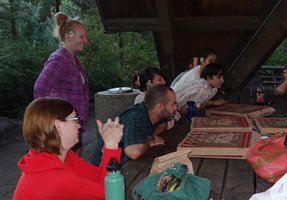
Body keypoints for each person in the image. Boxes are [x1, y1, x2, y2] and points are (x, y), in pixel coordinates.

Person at [13, 97, 124, 199]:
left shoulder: (60, 156)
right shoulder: (54, 177)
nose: (79, 125)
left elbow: (98, 178)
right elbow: (109, 193)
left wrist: (109, 146)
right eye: (75, 119)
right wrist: (111, 146)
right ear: (58, 125)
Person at [34, 12, 89, 156]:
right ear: (68, 37)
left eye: (85, 36)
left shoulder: (75, 61)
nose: (85, 40)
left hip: (73, 124)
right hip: (62, 128)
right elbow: (40, 88)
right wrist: (49, 119)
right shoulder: (59, 59)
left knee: (74, 162)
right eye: (81, 36)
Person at [91, 85, 177, 166]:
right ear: (160, 106)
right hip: (103, 174)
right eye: (173, 104)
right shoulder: (136, 117)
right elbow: (133, 152)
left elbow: (163, 124)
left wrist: (153, 134)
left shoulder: (149, 113)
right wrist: (148, 141)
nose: (176, 108)